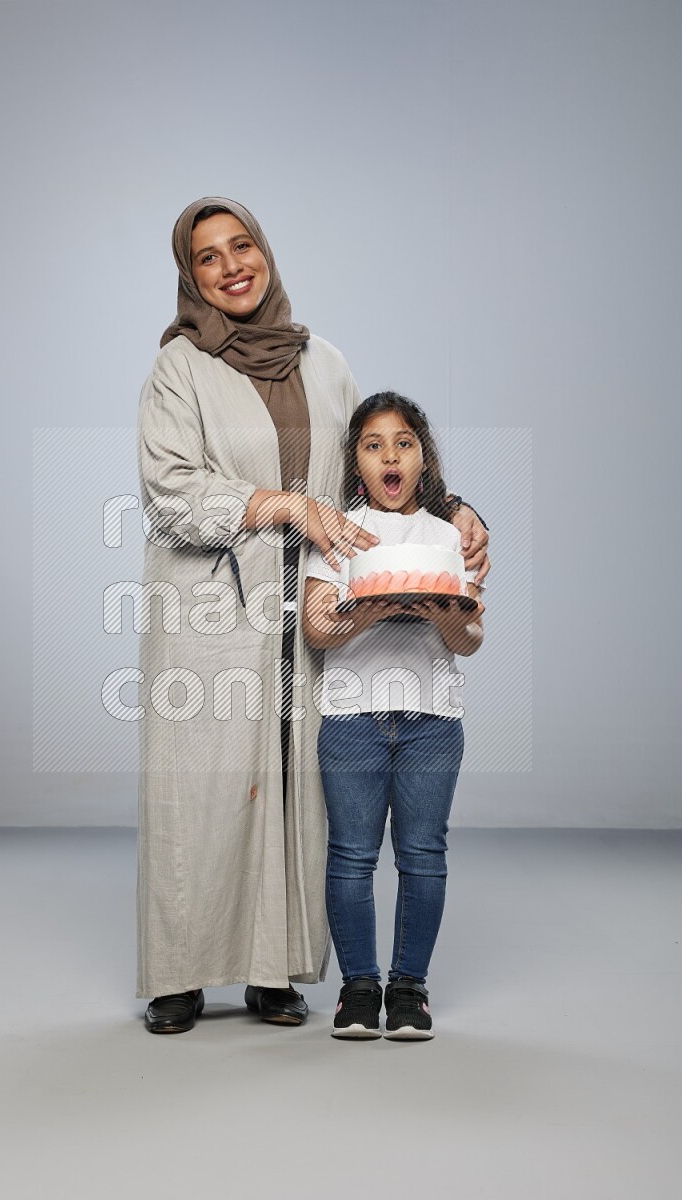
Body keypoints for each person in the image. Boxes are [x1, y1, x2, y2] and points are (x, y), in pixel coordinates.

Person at [136, 198, 490, 1034]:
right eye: (209, 257)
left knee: (295, 793)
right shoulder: (178, 370)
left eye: (242, 246)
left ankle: (271, 973)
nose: (231, 267)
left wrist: (463, 507)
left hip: (318, 606)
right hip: (212, 607)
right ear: (191, 276)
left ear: (265, 251)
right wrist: (282, 505)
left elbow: (375, 463)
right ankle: (180, 976)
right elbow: (169, 491)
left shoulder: (323, 361)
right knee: (202, 789)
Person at [302, 392, 485, 1040]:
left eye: (403, 442)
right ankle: (358, 988)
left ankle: (409, 988)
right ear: (357, 459)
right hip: (352, 717)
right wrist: (370, 609)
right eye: (374, 443)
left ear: (422, 458)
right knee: (351, 856)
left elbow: (469, 640)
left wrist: (438, 608)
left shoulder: (451, 535)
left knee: (423, 855)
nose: (390, 454)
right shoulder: (339, 530)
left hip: (432, 719)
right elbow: (319, 630)